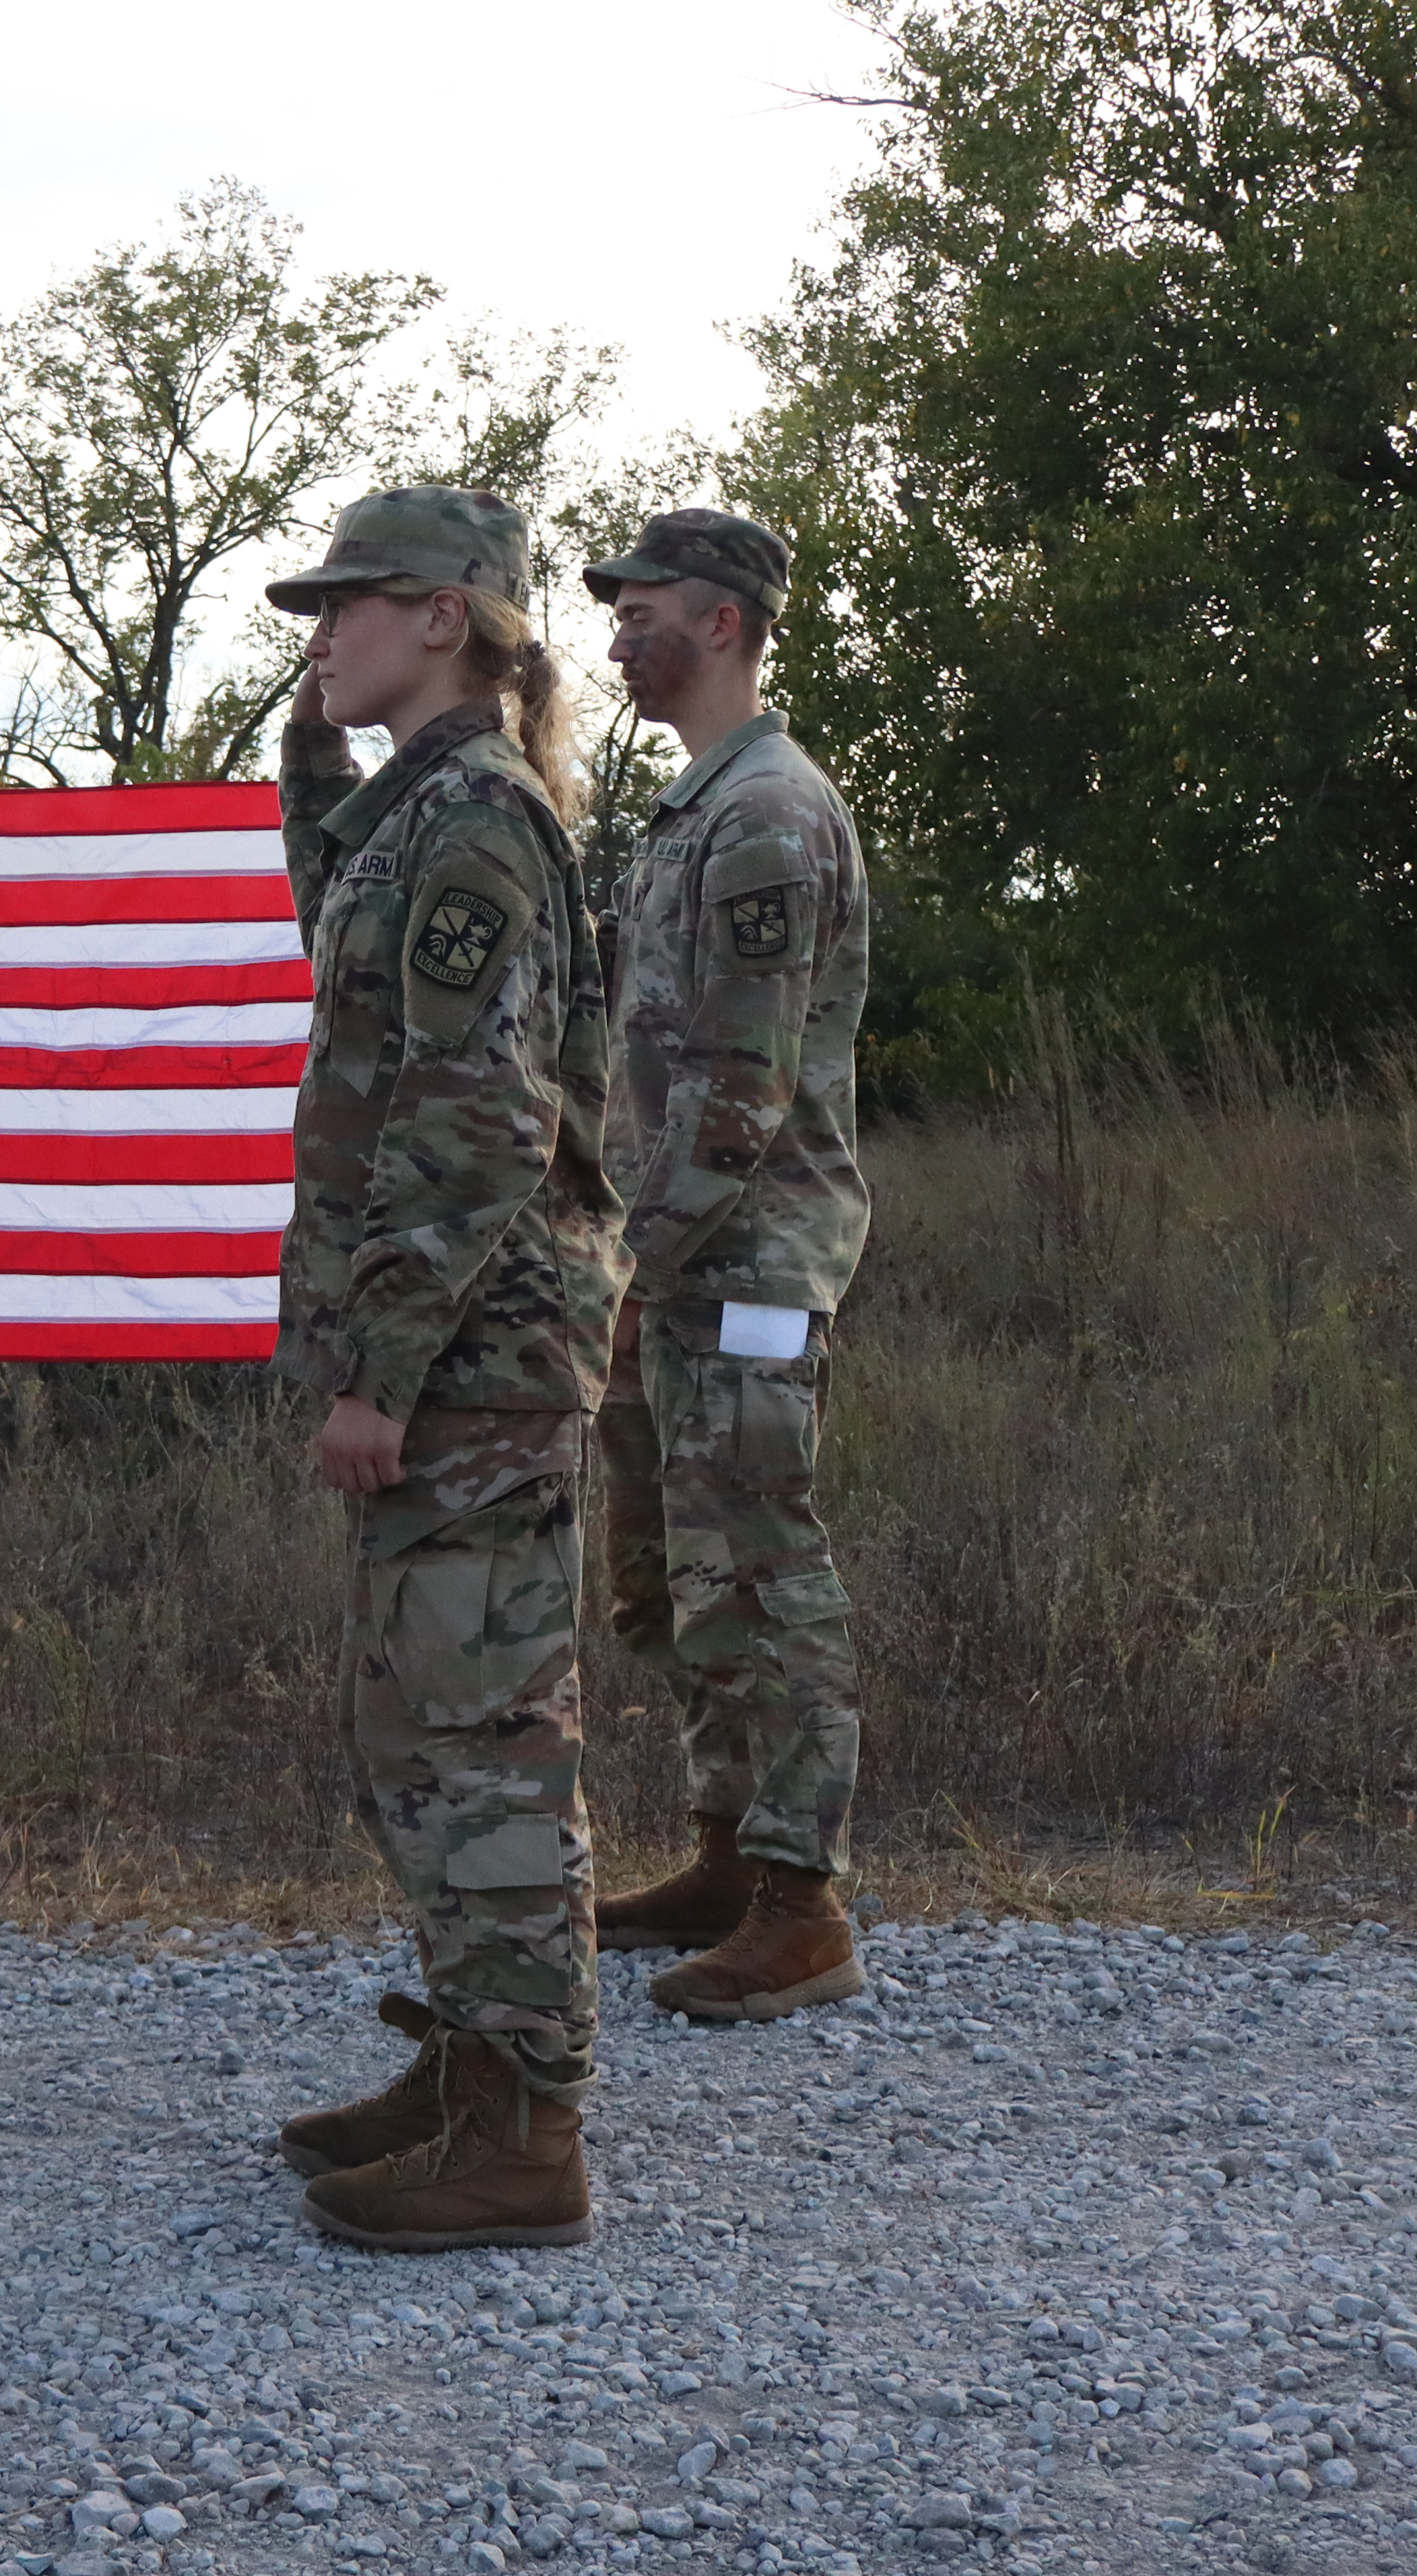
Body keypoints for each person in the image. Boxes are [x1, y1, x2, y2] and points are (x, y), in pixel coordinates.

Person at [257, 487, 627, 2253]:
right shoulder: (426, 813)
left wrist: (379, 1371)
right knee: (417, 1723)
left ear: (442, 617)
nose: (316, 633)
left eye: (344, 608)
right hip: (449, 1351)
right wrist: (311, 751)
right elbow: (343, 924)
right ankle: (475, 2067)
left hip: (471, 1357)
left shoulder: (479, 824)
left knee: (481, 1737)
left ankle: (526, 2129)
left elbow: (476, 1124)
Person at [577, 509, 876, 2025]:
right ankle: (724, 1852)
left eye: (647, 605)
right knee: (683, 1572)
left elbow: (747, 1095)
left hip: (742, 1259)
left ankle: (802, 1900)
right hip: (679, 1254)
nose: (620, 627)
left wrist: (635, 1261)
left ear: (730, 621)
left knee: (764, 1568)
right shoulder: (696, 805)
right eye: (617, 604)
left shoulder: (767, 811)